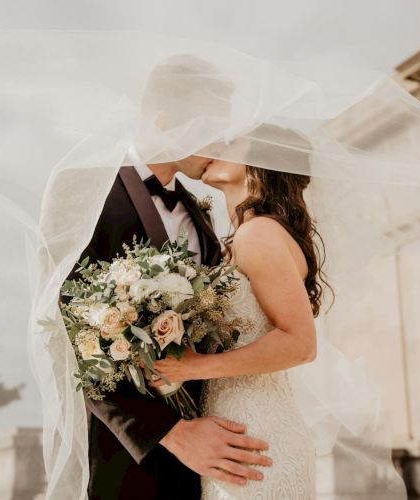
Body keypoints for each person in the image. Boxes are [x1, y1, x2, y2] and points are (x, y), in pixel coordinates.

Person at [65, 53, 272, 500]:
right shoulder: (83, 190)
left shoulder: (202, 218)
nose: (220, 144)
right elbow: (69, 331)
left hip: (215, 456)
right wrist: (173, 434)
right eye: (211, 128)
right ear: (165, 120)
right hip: (129, 459)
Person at [151, 126, 332, 499]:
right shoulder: (244, 236)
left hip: (258, 439)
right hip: (236, 433)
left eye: (231, 142)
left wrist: (194, 366)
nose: (215, 144)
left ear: (263, 162)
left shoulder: (260, 235)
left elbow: (300, 343)